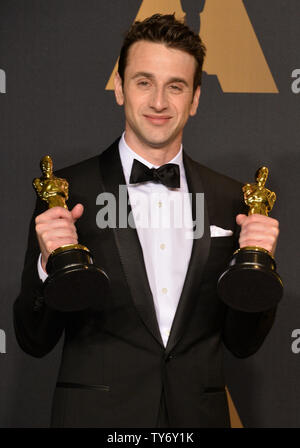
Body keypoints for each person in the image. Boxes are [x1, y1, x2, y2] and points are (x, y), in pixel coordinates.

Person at [14, 14, 280, 428]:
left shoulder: (233, 199)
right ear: (120, 88)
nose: (159, 102)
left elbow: (243, 344)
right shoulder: (69, 191)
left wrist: (257, 272)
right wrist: (48, 267)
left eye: (175, 86)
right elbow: (33, 339)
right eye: (144, 82)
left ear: (195, 99)